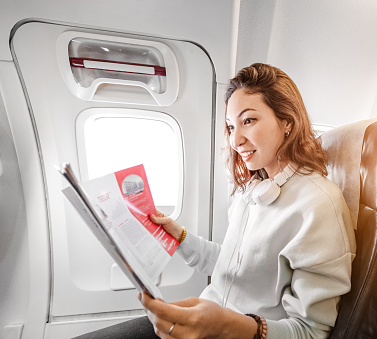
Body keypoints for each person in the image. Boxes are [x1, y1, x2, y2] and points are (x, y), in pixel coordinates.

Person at [76, 63, 356, 339]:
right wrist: (180, 236)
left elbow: (311, 332)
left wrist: (228, 326)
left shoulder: (318, 205)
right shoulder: (254, 190)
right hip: (208, 321)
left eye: (249, 121)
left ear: (287, 122)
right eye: (231, 126)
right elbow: (233, 265)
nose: (236, 140)